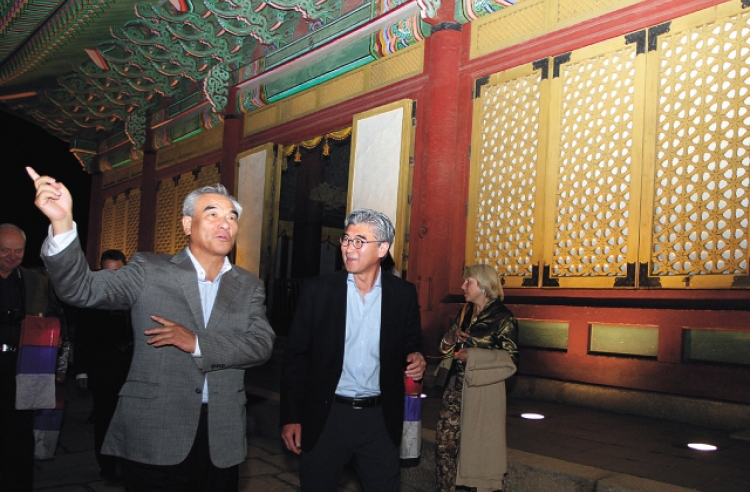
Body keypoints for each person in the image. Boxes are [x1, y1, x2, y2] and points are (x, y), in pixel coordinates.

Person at [27, 167, 275, 492]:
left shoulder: (248, 285)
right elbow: (80, 289)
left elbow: (261, 345)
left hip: (220, 434)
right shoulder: (150, 270)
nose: (224, 223)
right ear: (188, 223)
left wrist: (197, 342)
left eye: (231, 217)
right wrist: (62, 224)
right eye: (211, 214)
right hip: (155, 428)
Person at [280, 208, 426, 491]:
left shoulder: (402, 294)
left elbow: (412, 342)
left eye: (360, 241)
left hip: (379, 419)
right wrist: (291, 416)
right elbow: (296, 358)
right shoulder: (319, 291)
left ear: (382, 248)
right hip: (327, 415)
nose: (348, 248)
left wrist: (417, 357)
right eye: (346, 240)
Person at [436, 264, 519, 492]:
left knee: (477, 452)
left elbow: (511, 360)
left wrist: (473, 356)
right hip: (454, 388)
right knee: (445, 448)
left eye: (468, 282)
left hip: (481, 393)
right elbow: (444, 347)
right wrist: (451, 337)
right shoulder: (464, 313)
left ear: (483, 286)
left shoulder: (503, 318)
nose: (463, 286)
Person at [0, 223, 67, 492]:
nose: (11, 256)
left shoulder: (36, 281)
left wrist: (55, 338)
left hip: (23, 367)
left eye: (18, 251)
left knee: (19, 434)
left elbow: (57, 317)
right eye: (4, 250)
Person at [75, 249, 133, 480]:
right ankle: (107, 468)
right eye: (107, 272)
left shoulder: (134, 293)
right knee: (105, 421)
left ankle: (129, 466)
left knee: (130, 422)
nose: (112, 278)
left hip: (131, 369)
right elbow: (82, 336)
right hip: (102, 370)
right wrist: (81, 370)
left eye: (117, 272)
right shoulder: (90, 296)